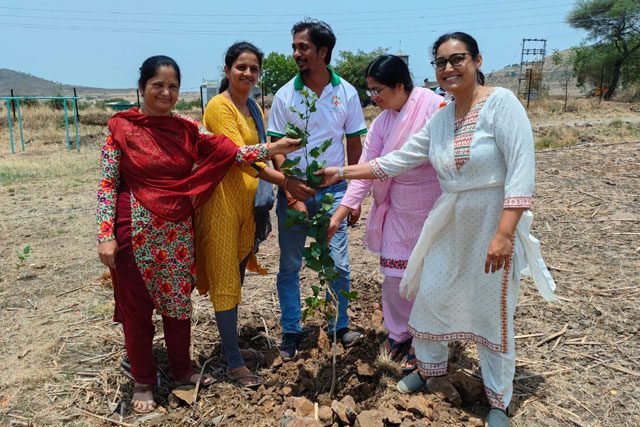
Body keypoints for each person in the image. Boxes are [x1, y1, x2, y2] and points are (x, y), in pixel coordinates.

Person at [318, 32, 556, 427]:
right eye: (440, 63)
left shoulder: (502, 104)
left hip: (490, 220)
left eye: (457, 59)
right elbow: (395, 161)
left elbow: (521, 172)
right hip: (447, 220)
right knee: (430, 294)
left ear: (478, 60)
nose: (448, 69)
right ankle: (429, 369)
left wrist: (504, 234)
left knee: (491, 310)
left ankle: (498, 400)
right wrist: (341, 172)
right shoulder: (442, 118)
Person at [96, 55, 301, 413]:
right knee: (137, 309)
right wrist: (105, 234)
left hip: (176, 231)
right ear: (142, 86)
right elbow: (107, 184)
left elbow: (231, 153)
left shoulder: (187, 129)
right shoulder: (121, 127)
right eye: (158, 85)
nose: (166, 92)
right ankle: (143, 381)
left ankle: (181, 370)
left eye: (173, 86)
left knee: (177, 304)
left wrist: (271, 149)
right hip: (134, 232)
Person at [194, 42, 314, 387]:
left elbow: (258, 165)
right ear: (227, 69)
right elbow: (236, 155)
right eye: (241, 67)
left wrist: (287, 181)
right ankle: (233, 363)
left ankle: (229, 346)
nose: (248, 74)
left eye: (254, 69)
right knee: (225, 278)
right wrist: (277, 150)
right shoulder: (220, 107)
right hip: (220, 205)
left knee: (237, 273)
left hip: (245, 206)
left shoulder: (252, 109)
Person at [328, 55, 443, 372]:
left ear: (399, 85)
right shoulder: (381, 122)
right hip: (395, 208)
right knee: (394, 280)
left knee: (426, 281)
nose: (373, 97)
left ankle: (423, 341)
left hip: (431, 209)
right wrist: (343, 210)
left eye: (377, 90)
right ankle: (398, 332)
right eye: (370, 91)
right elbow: (366, 170)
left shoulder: (435, 109)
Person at [267, 18, 367, 360]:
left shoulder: (346, 93)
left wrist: (353, 196)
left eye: (303, 47)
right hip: (296, 190)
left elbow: (355, 144)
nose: (296, 53)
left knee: (337, 262)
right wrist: (292, 193)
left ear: (323, 51)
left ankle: (340, 326)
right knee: (291, 264)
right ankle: (291, 331)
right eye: (294, 46)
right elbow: (275, 147)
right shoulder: (285, 95)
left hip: (334, 191)